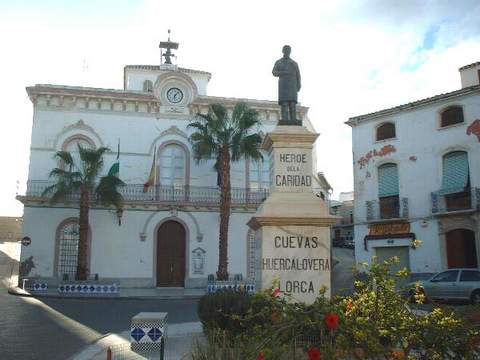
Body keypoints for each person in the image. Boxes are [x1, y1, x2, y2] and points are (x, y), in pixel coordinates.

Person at [272, 45, 301, 124]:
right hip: (283, 85)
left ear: (290, 51)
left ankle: (293, 119)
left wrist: (299, 84)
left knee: (292, 103)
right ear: (283, 51)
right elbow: (274, 72)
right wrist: (283, 73)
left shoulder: (294, 63)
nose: (287, 51)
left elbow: (298, 75)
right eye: (285, 50)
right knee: (284, 103)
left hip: (292, 85)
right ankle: (285, 119)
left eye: (288, 50)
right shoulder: (279, 62)